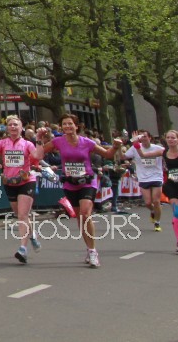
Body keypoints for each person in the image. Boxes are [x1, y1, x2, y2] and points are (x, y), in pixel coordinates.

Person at [40, 113, 123, 268]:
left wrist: (116, 146)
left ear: (76, 126)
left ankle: (93, 251)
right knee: (80, 219)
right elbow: (38, 154)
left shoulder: (87, 142)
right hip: (70, 184)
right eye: (64, 124)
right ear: (61, 127)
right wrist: (40, 139)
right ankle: (89, 248)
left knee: (85, 213)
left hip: (87, 182)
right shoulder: (58, 142)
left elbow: (107, 154)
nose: (67, 126)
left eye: (70, 123)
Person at [0, 115, 44, 264]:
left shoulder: (27, 144)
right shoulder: (2, 143)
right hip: (9, 182)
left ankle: (23, 248)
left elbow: (38, 156)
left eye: (16, 125)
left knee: (22, 215)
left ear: (21, 128)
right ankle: (32, 235)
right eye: (10, 125)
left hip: (26, 181)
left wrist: (39, 140)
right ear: (6, 128)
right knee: (19, 215)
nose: (13, 127)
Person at [122, 130, 165, 229]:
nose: (143, 138)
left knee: (156, 201)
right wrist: (119, 147)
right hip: (143, 178)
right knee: (148, 203)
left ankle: (157, 223)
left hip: (156, 177)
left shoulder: (158, 148)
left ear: (150, 138)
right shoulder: (134, 147)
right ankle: (153, 211)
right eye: (141, 137)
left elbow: (166, 155)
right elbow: (123, 157)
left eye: (145, 136)